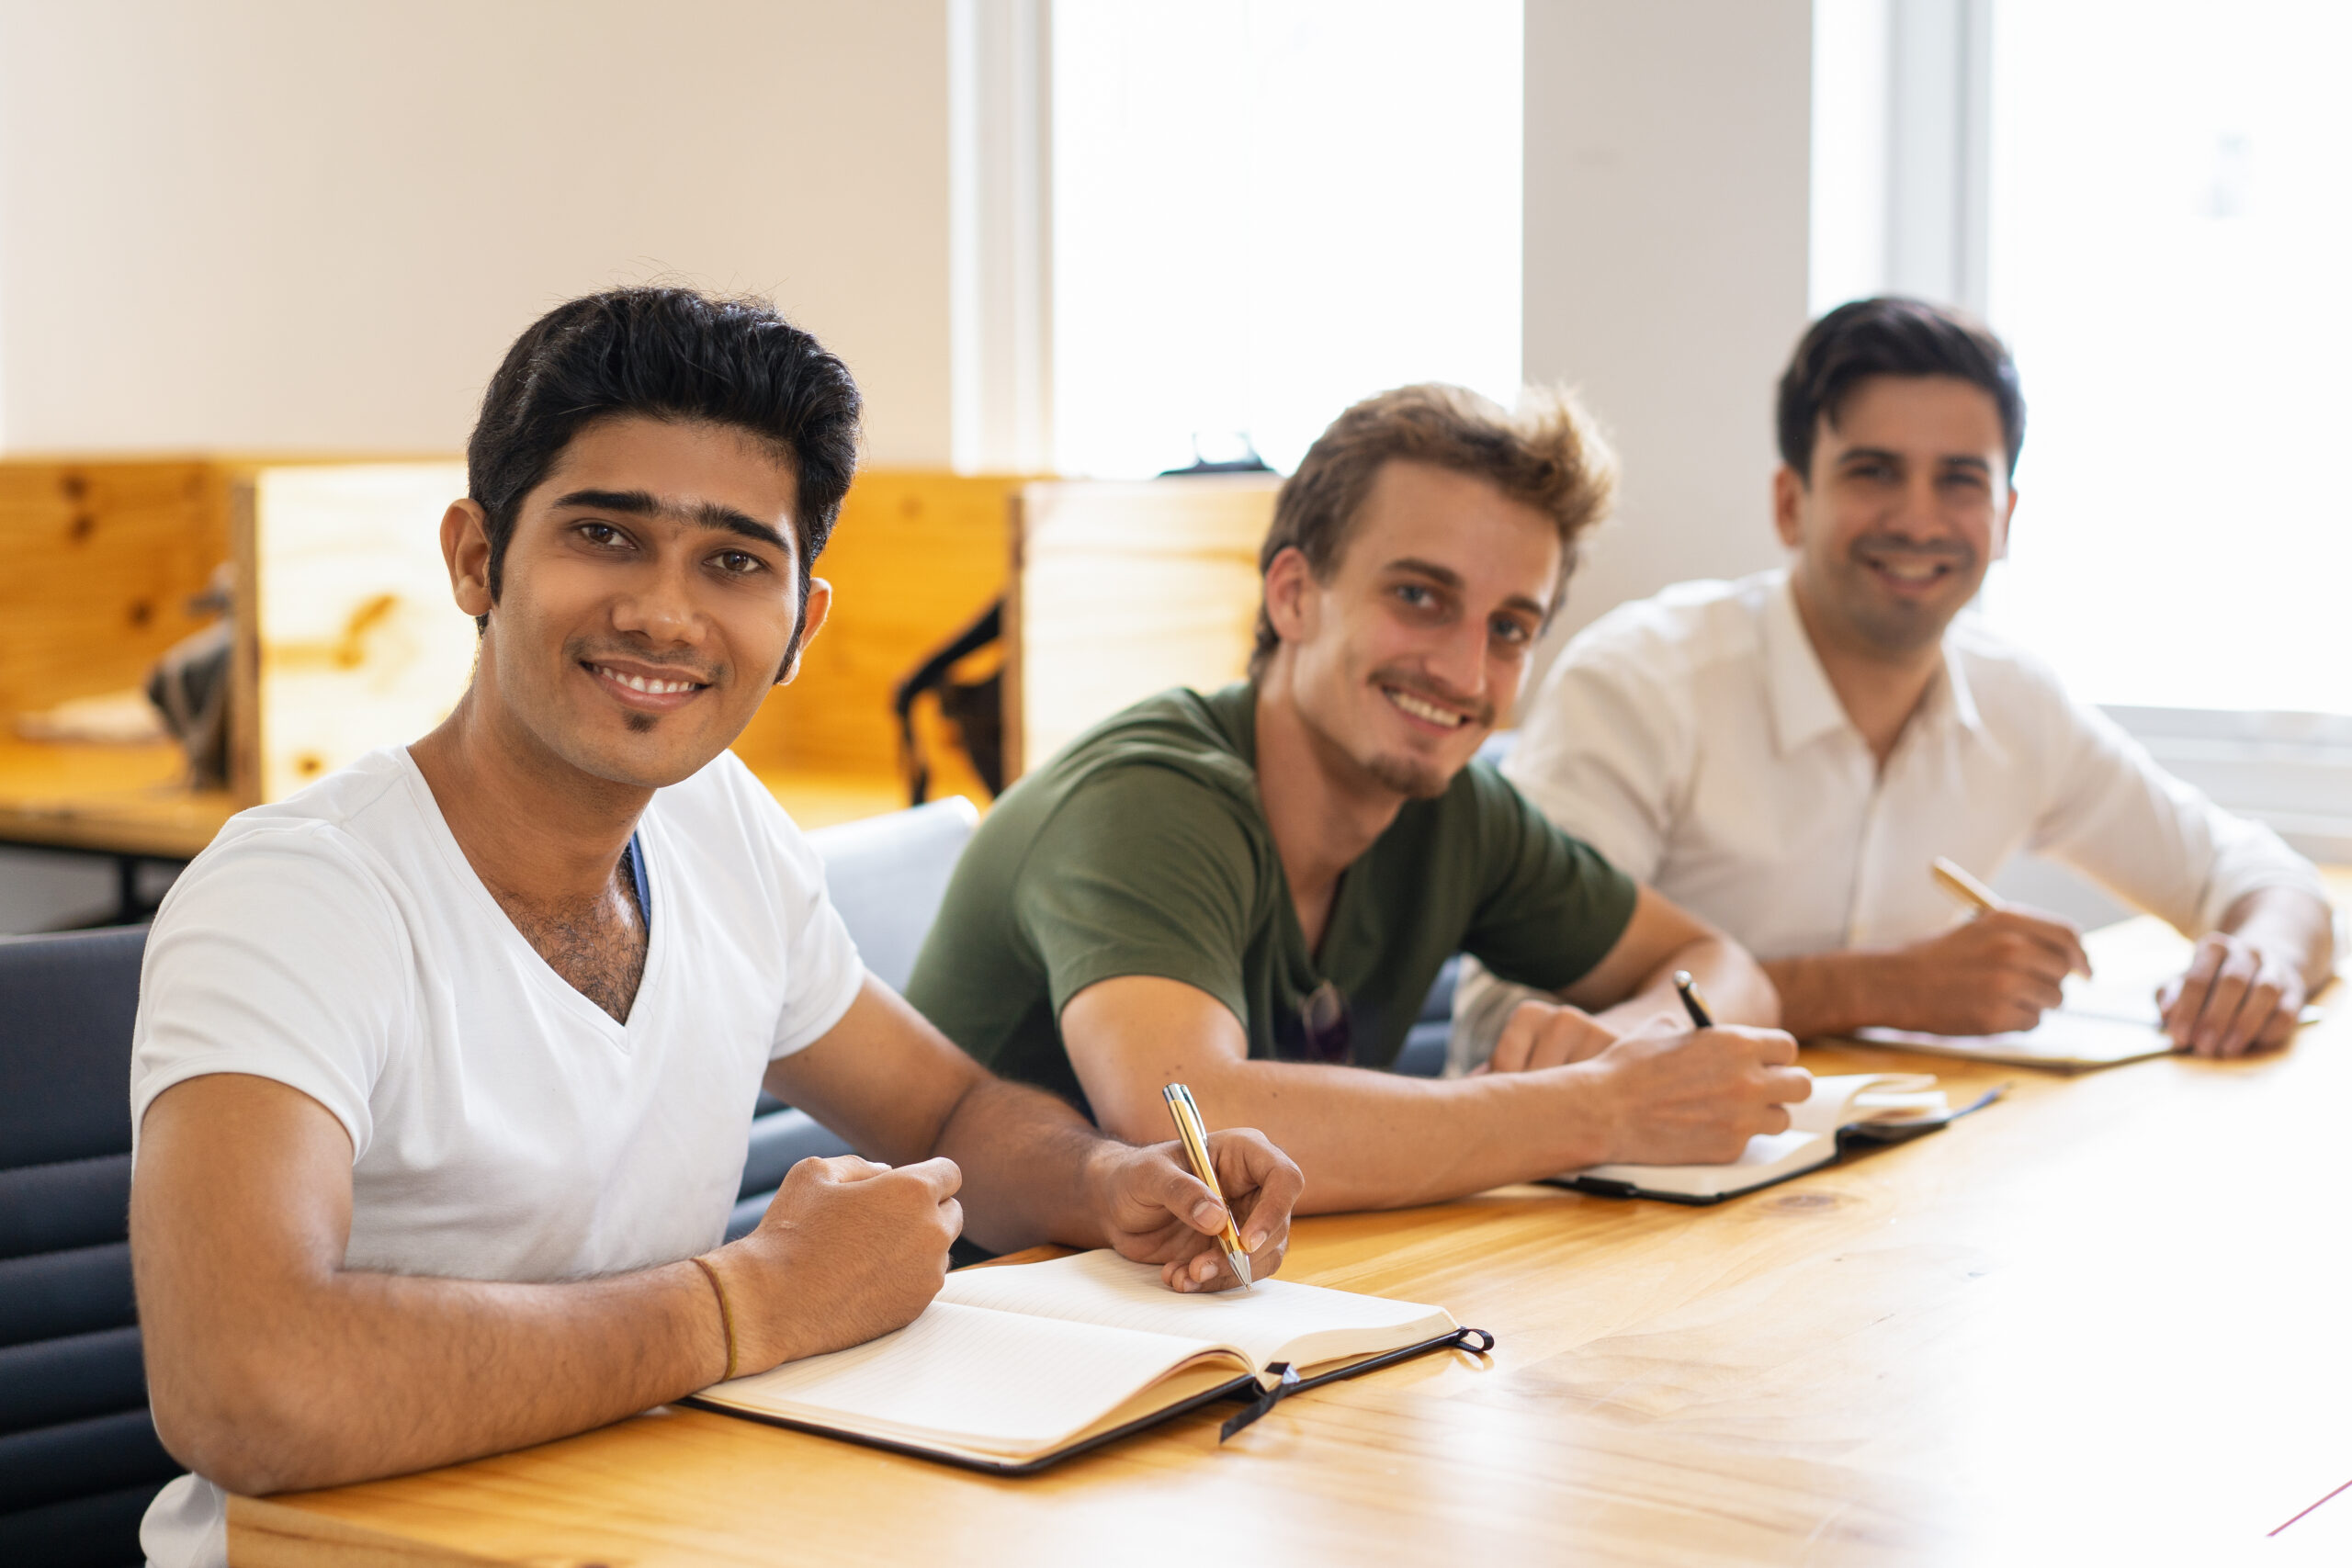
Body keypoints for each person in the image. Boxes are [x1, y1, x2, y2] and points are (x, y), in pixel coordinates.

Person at [128, 288, 1304, 1567]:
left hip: (664, 1523)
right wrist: (750, 1301)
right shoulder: (298, 893)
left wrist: (1104, 1181)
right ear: (476, 555)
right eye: (606, 535)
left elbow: (949, 1110)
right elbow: (245, 1383)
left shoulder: (717, 823)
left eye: (736, 561)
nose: (666, 614)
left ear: (803, 621)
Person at [904, 384, 1811, 1213]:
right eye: (1419, 596)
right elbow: (1186, 1125)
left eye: (1508, 629)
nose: (1463, 672)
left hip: (1235, 1317)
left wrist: (1628, 1046)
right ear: (1294, 596)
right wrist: (1597, 1108)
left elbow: (1720, 966)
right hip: (978, 1345)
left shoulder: (1452, 808)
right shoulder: (1144, 799)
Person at [1455, 297, 2336, 1067]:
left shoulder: (2014, 699)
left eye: (1960, 481)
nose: (1919, 519)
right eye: (1874, 472)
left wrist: (2264, 958)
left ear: (2004, 520)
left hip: (1885, 1203)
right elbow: (1522, 1029)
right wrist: (1882, 988)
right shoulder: (1641, 683)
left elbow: (2259, 876)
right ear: (1791, 503)